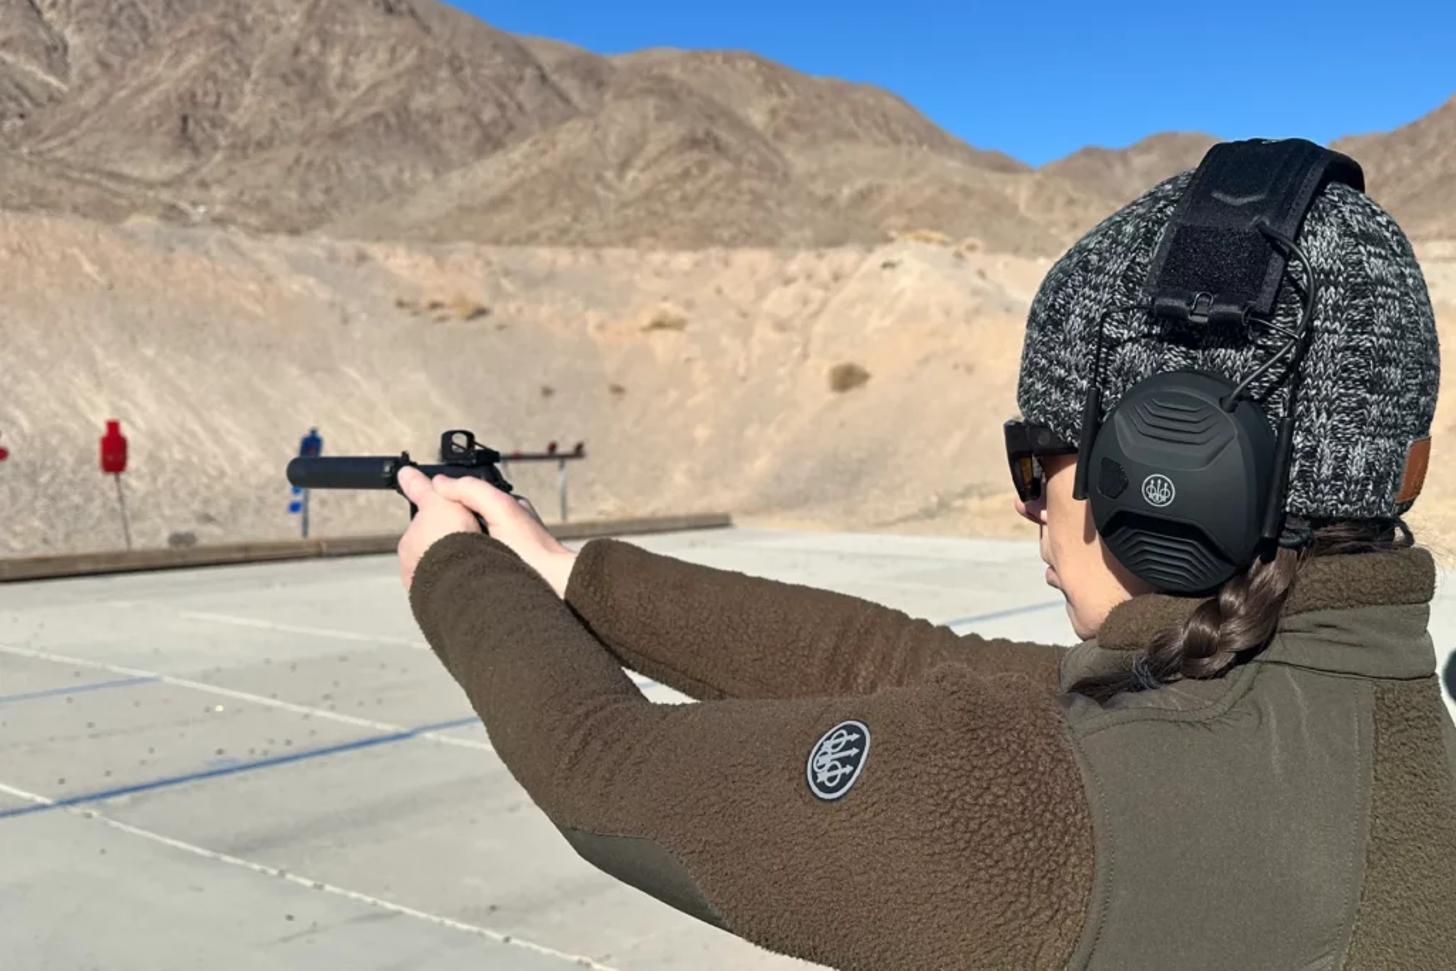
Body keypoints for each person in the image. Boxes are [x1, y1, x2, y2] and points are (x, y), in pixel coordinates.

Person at [393, 141, 1456, 970]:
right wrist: (568, 573)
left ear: (1170, 471)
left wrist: (451, 568)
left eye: (1039, 455)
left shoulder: (1044, 807)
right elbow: (899, 662)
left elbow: (603, 767)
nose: (1027, 504)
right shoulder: (1348, 714)